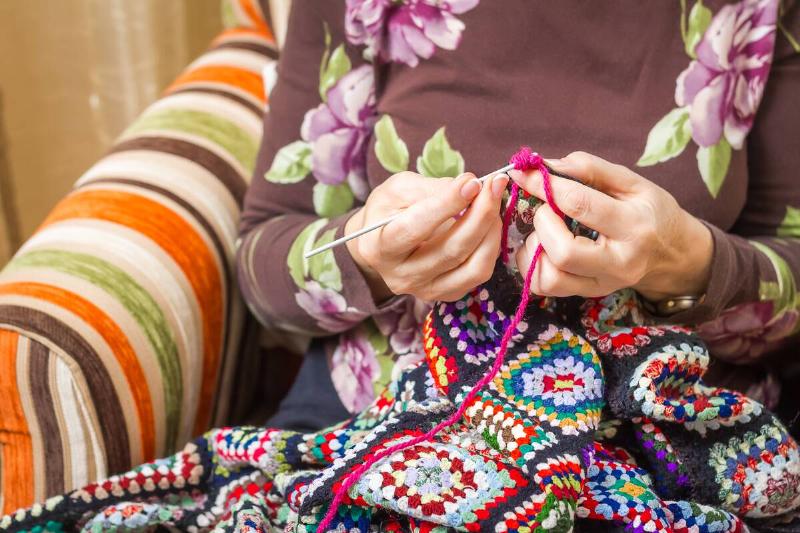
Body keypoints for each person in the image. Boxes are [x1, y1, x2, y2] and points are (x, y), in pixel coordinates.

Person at [237, 0, 800, 433]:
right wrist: (368, 260)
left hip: (677, 437)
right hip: (381, 421)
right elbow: (262, 266)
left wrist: (688, 265)